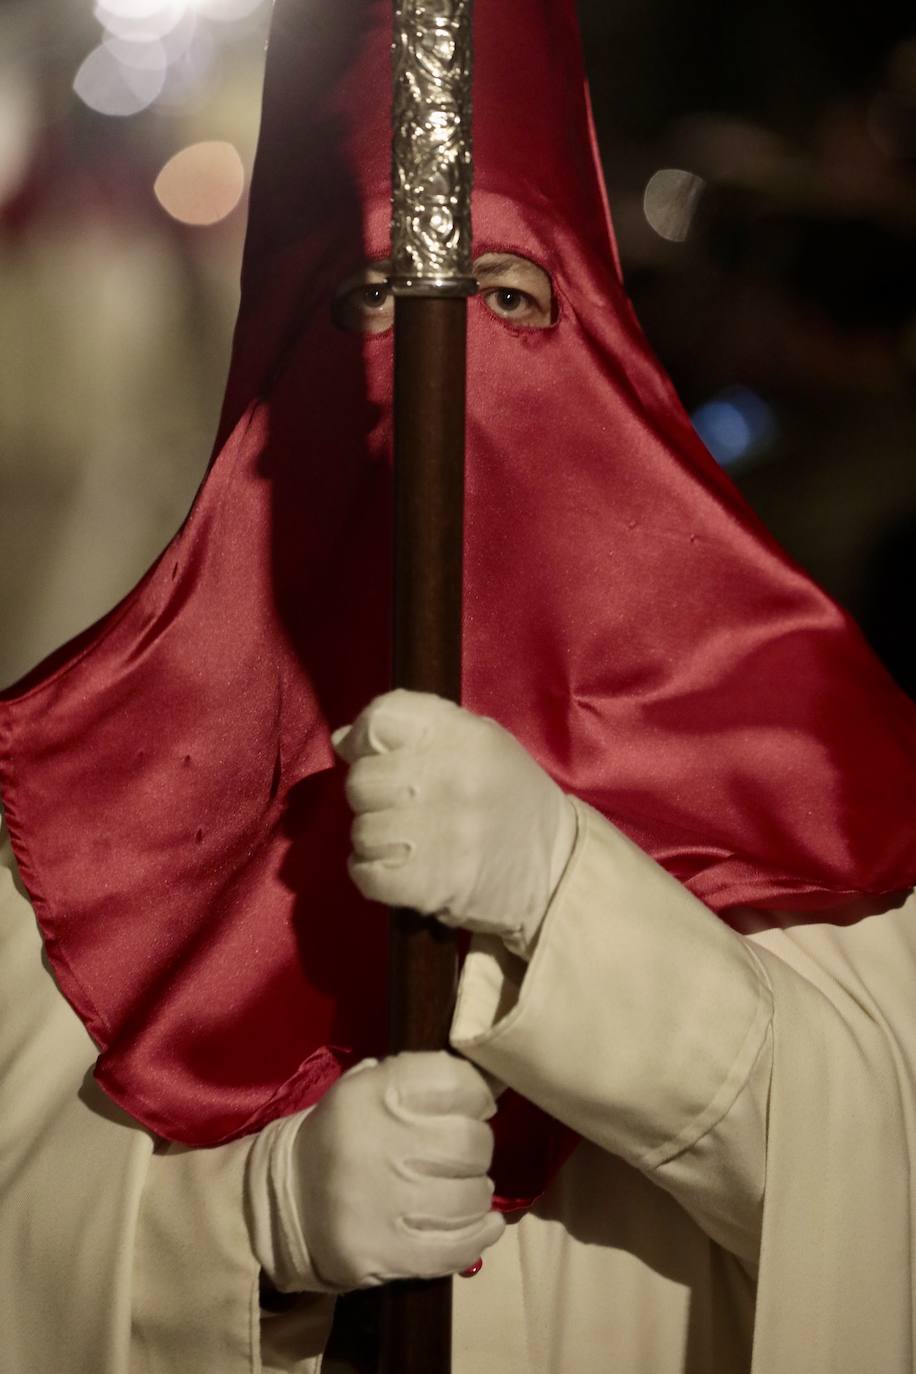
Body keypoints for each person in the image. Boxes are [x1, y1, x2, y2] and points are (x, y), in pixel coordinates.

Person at [2, 1, 916, 1372]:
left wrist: (572, 905)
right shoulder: (68, 795)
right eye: (361, 300)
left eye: (510, 294)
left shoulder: (815, 749)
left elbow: (880, 1179)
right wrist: (235, 1228)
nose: (429, 369)